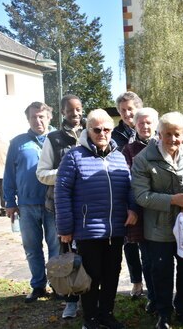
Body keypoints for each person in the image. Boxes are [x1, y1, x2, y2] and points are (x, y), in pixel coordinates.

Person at [55, 108, 138, 329]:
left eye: (107, 129)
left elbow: (128, 186)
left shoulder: (119, 157)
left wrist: (132, 209)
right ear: (88, 130)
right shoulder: (74, 156)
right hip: (87, 230)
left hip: (115, 229)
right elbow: (61, 192)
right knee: (91, 276)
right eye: (97, 129)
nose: (102, 133)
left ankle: (107, 314)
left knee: (112, 274)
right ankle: (90, 318)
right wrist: (65, 227)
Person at [131, 112, 183, 329]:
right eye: (167, 134)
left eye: (177, 134)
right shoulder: (143, 158)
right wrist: (173, 200)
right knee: (161, 271)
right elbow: (142, 196)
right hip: (157, 227)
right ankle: (163, 313)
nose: (172, 139)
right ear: (159, 134)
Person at [3, 102, 60, 303]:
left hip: (53, 204)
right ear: (28, 119)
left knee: (56, 246)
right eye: (34, 117)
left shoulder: (58, 139)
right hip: (27, 205)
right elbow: (9, 174)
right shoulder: (18, 143)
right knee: (32, 247)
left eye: (42, 116)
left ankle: (57, 285)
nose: (38, 120)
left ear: (49, 117)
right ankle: (38, 285)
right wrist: (10, 202)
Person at [36, 94, 84, 319]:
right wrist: (66, 174)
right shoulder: (53, 139)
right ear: (62, 113)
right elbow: (42, 173)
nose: (75, 114)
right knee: (66, 254)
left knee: (90, 252)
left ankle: (91, 295)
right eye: (70, 110)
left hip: (88, 206)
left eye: (78, 109)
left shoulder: (90, 132)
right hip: (61, 206)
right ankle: (70, 300)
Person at [121, 107, 159, 314]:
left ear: (156, 123)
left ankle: (167, 297)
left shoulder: (164, 145)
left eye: (149, 122)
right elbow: (128, 182)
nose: (145, 126)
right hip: (143, 211)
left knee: (165, 259)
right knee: (147, 258)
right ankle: (153, 298)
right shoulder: (128, 150)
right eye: (141, 122)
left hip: (165, 211)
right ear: (135, 125)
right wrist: (133, 208)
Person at [112, 91, 145, 298]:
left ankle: (154, 280)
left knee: (150, 242)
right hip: (125, 191)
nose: (127, 114)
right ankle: (136, 282)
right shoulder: (114, 135)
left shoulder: (149, 128)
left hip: (148, 192)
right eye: (123, 110)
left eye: (130, 109)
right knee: (130, 242)